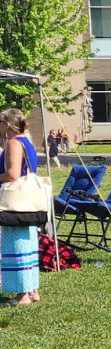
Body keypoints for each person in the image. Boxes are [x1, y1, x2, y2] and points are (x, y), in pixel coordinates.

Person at [0, 109, 41, 307]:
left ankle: (22, 294)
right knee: (28, 244)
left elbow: (12, 174)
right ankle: (32, 290)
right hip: (28, 201)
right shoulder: (28, 142)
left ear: (7, 124)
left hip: (16, 201)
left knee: (16, 245)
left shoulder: (14, 143)